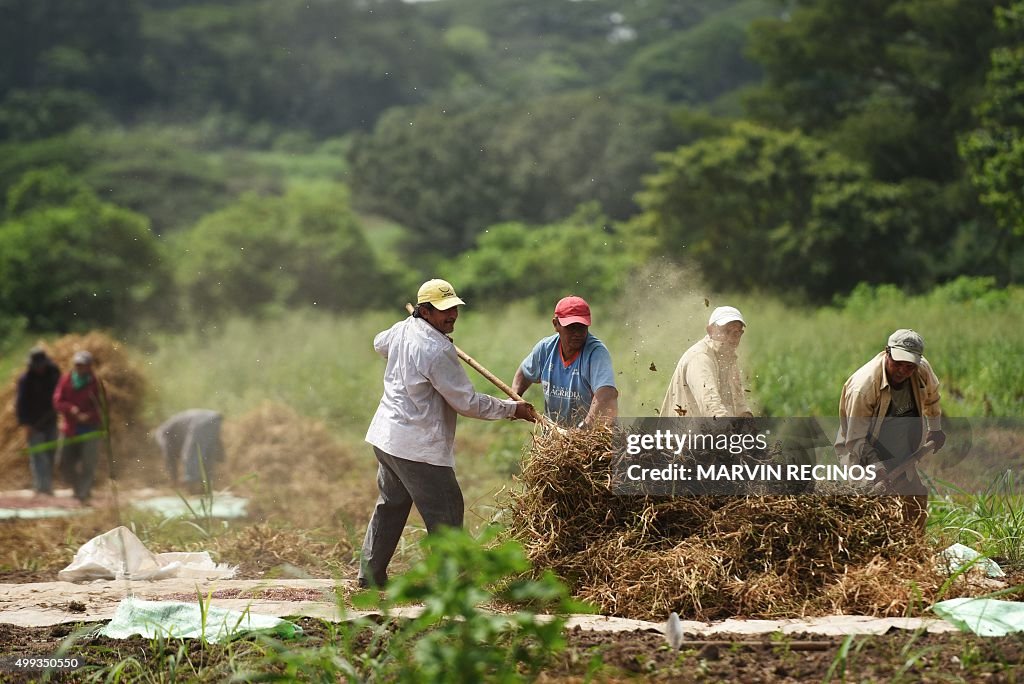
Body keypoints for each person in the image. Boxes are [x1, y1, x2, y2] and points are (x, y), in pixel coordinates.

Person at [359, 278, 536, 587]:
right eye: (443, 311)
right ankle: (453, 589)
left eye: (453, 308)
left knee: (391, 505)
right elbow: (466, 403)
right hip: (417, 447)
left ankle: (370, 577)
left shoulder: (403, 329)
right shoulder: (437, 349)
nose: (451, 315)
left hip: (387, 438)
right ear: (425, 312)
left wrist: (406, 346)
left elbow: (379, 343)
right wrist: (512, 409)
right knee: (447, 512)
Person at [835, 329, 946, 532]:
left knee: (914, 502)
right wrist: (877, 467)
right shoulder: (863, 387)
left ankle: (914, 552)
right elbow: (856, 439)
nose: (903, 371)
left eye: (909, 366)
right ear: (887, 352)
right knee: (871, 510)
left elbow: (932, 397)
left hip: (900, 449)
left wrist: (935, 429)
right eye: (898, 363)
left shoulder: (921, 370)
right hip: (861, 452)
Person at [511, 295, 618, 427]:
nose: (577, 333)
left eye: (582, 327)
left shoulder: (596, 352)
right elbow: (524, 372)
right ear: (556, 324)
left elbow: (606, 393)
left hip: (590, 435)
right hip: (556, 436)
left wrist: (585, 428)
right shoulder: (546, 348)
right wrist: (515, 397)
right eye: (571, 327)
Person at [659, 306, 753, 418]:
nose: (732, 338)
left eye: (736, 333)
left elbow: (739, 404)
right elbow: (711, 406)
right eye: (726, 331)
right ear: (710, 331)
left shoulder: (728, 358)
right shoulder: (700, 358)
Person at [52, 350, 107, 504]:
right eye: (77, 365)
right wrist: (72, 409)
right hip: (70, 428)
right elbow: (57, 401)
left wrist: (89, 415)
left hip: (90, 429)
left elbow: (102, 406)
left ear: (89, 367)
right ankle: (77, 488)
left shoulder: (96, 383)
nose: (80, 368)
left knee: (88, 463)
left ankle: (84, 493)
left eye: (83, 365)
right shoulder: (66, 380)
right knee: (63, 462)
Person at [15, 347, 62, 496]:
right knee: (38, 455)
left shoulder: (54, 374)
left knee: (50, 454)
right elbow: (21, 403)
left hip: (51, 420)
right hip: (33, 422)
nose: (40, 368)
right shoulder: (26, 379)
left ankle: (46, 485)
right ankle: (43, 487)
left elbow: (61, 393)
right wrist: (26, 424)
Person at [153, 409, 225, 494]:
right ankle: (207, 488)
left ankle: (193, 486)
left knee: (190, 454)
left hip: (201, 422)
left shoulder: (160, 433)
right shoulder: (172, 429)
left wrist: (174, 479)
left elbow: (168, 455)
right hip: (214, 419)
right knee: (206, 455)